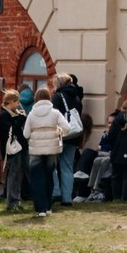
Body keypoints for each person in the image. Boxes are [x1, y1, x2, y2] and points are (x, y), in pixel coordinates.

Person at [22, 84, 66, 217]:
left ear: (36, 98)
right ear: (49, 97)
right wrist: (59, 132)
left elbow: (25, 134)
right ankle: (48, 207)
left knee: (37, 179)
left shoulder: (31, 114)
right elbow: (67, 127)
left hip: (36, 150)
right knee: (49, 177)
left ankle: (40, 209)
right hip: (52, 149)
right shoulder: (55, 113)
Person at [52, 71, 84, 206]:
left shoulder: (58, 96)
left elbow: (54, 115)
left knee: (52, 165)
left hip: (60, 135)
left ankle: (55, 192)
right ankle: (67, 198)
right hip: (73, 136)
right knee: (67, 167)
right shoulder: (77, 97)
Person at [0, 89, 28, 211]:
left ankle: (16, 199)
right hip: (12, 149)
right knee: (13, 175)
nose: (18, 104)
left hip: (19, 147)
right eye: (16, 101)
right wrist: (20, 119)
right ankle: (12, 202)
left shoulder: (11, 114)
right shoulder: (4, 115)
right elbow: (11, 130)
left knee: (18, 174)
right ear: (11, 102)